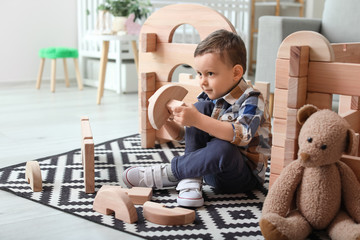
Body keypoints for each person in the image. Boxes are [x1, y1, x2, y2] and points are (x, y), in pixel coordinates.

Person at [122, 29, 271, 207]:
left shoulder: (252, 98)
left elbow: (242, 134)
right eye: (199, 74)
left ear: (236, 73)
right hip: (207, 169)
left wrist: (196, 119)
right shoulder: (209, 96)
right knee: (200, 108)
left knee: (223, 148)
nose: (202, 81)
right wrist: (169, 121)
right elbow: (190, 138)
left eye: (210, 74)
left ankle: (168, 173)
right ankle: (191, 181)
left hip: (241, 176)